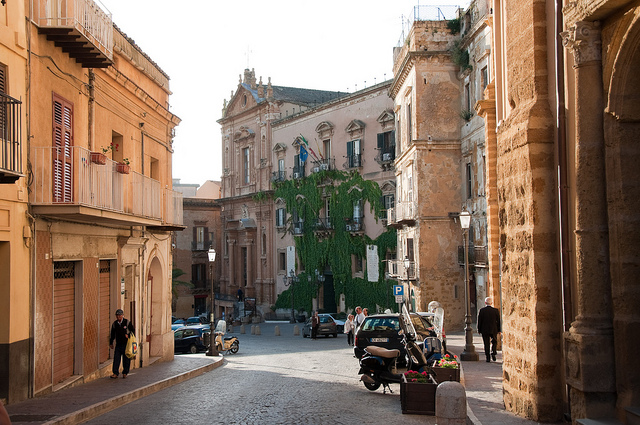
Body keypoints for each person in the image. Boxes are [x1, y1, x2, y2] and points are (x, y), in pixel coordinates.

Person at [109, 308, 135, 378]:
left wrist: (128, 335)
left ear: (123, 315)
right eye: (117, 316)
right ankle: (115, 373)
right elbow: (112, 334)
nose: (118, 317)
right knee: (116, 359)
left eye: (120, 315)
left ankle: (125, 372)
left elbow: (133, 331)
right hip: (118, 344)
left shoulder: (127, 322)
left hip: (126, 344)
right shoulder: (115, 324)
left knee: (126, 359)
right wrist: (111, 343)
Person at [477, 297, 501, 362]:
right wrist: (499, 330)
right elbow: (498, 321)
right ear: (491, 303)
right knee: (494, 342)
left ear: (485, 303)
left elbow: (479, 321)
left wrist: (479, 329)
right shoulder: (495, 311)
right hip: (493, 329)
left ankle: (487, 357)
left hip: (484, 329)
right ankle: (493, 353)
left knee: (486, 343)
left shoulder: (482, 310)